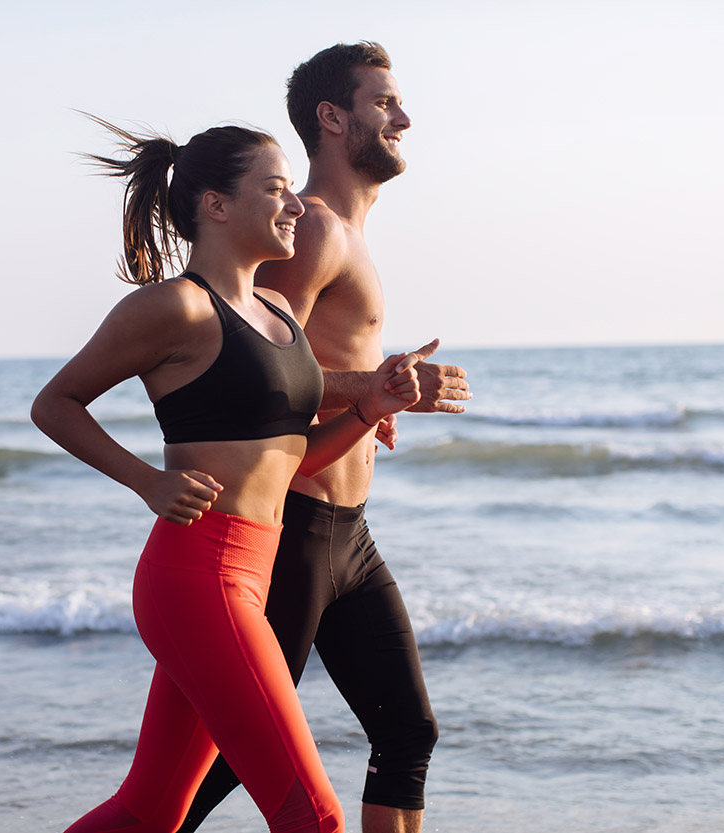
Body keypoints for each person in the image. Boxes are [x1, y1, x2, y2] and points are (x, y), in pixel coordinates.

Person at [31, 117, 438, 833]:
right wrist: (146, 480)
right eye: (275, 190)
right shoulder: (174, 307)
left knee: (152, 810)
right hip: (197, 575)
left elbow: (288, 464)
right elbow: (55, 403)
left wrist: (370, 406)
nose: (295, 206)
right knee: (313, 817)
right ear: (216, 205)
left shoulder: (278, 311)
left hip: (254, 569)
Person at [176, 42, 472, 833]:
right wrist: (373, 390)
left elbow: (309, 367)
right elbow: (258, 374)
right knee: (214, 768)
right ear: (332, 118)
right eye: (383, 103)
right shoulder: (311, 229)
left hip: (350, 535)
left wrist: (377, 396)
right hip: (295, 531)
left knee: (408, 732)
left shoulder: (347, 234)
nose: (403, 118)